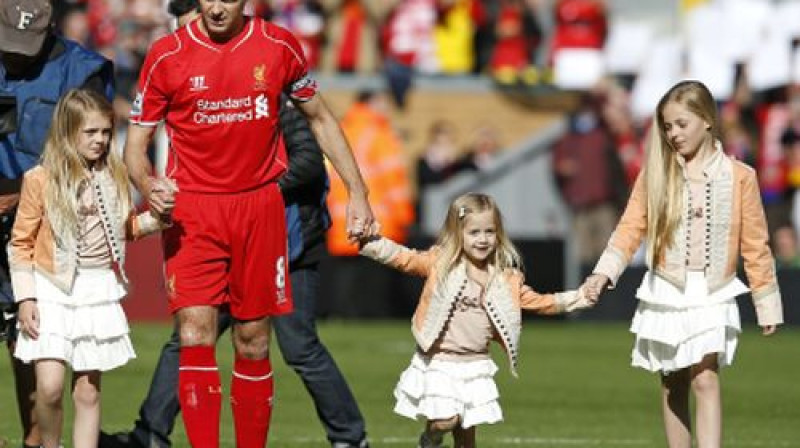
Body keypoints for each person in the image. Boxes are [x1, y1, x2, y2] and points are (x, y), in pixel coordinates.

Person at [123, 0, 376, 446]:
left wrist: (358, 191)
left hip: (259, 208)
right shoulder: (167, 54)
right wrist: (148, 180)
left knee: (254, 340)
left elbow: (319, 118)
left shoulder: (278, 46)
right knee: (194, 333)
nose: (218, 7)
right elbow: (137, 142)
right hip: (195, 211)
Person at [582, 80, 784, 448]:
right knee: (672, 379)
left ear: (707, 120)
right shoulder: (656, 173)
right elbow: (630, 228)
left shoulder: (741, 177)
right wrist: (603, 272)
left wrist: (766, 301)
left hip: (714, 289)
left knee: (705, 378)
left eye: (681, 124)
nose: (673, 134)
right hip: (666, 288)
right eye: (667, 126)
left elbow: (756, 245)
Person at [358, 192, 592, 448]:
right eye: (474, 232)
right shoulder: (442, 263)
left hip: (475, 364)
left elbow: (539, 301)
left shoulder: (504, 279)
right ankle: (430, 438)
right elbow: (406, 258)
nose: (483, 239)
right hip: (439, 361)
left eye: (489, 232)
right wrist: (371, 243)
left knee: (467, 437)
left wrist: (578, 298)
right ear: (458, 234)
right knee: (447, 420)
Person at [9, 89, 163, 448]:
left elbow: (124, 230)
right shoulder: (40, 178)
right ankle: (51, 445)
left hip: (96, 288)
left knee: (88, 393)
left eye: (106, 132)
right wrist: (26, 298)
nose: (100, 140)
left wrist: (159, 218)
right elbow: (21, 243)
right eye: (90, 132)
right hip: (50, 287)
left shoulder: (114, 175)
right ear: (68, 131)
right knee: (47, 388)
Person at [0, 1, 114, 446]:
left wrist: (20, 192)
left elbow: (91, 155)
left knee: (30, 342)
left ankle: (35, 441)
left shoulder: (79, 69)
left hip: (44, 227)